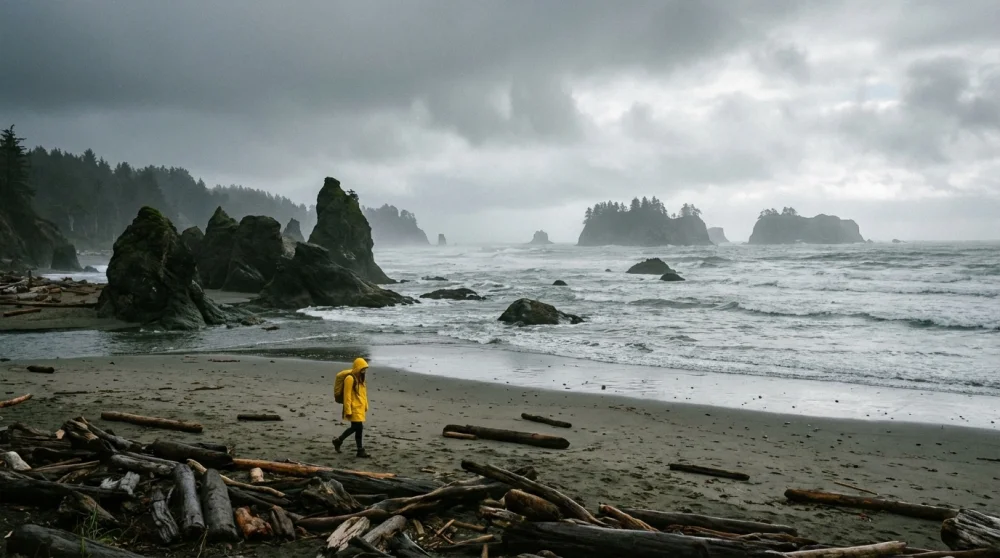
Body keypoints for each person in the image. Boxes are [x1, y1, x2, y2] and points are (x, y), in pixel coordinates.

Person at [333, 357, 370, 458]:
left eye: (365, 369)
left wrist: (366, 405)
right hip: (353, 408)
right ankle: (358, 449)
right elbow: (347, 395)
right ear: (357, 367)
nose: (364, 371)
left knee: (358, 428)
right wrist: (348, 409)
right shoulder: (350, 378)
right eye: (362, 368)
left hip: (360, 407)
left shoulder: (361, 378)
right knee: (358, 427)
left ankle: (356, 449)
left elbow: (363, 394)